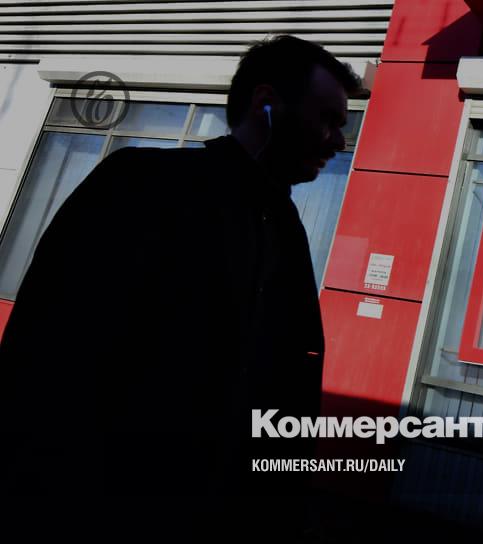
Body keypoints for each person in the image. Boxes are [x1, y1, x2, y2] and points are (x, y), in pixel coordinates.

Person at [0, 35, 360, 542]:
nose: (337, 141)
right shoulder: (141, 187)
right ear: (266, 104)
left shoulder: (288, 232)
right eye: (327, 119)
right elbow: (44, 360)